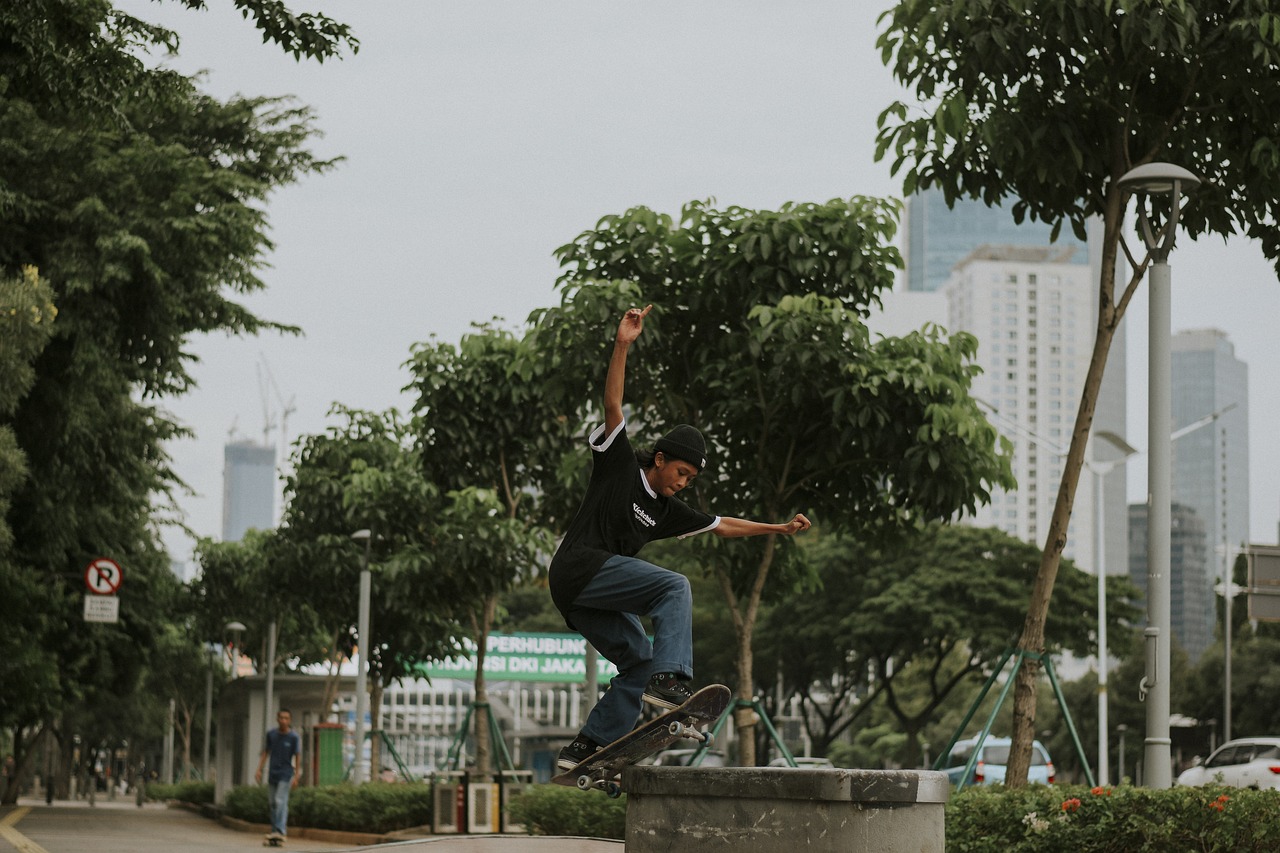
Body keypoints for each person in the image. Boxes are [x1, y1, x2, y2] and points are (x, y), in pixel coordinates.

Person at [550, 304, 812, 771]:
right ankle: (670, 681)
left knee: (638, 663)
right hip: (577, 568)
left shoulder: (667, 511)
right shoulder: (620, 467)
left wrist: (779, 528)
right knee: (675, 586)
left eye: (691, 480)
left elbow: (723, 524)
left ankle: (588, 747)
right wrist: (622, 345)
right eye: (681, 473)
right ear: (661, 458)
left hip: (587, 601)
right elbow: (613, 405)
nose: (683, 483)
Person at [255, 709, 301, 841]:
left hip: (286, 773)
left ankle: (281, 830)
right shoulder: (271, 734)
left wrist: (297, 775)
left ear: (290, 720)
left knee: (280, 800)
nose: (284, 721)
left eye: (287, 718)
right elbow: (266, 752)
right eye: (281, 718)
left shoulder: (294, 737)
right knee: (272, 803)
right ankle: (274, 831)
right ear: (277, 719)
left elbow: (298, 756)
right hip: (273, 773)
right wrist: (259, 769)